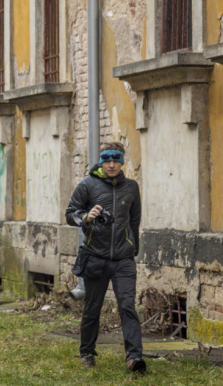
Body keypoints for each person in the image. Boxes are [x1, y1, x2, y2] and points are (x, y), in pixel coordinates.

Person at [67, 142, 144, 373]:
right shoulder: (87, 184)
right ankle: (87, 353)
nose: (111, 165)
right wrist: (86, 217)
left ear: (122, 162)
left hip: (123, 259)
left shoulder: (131, 187)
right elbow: (71, 214)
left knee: (127, 306)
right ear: (101, 161)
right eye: (107, 160)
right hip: (95, 257)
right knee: (92, 307)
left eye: (116, 160)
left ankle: (134, 358)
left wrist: (133, 250)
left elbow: (134, 221)